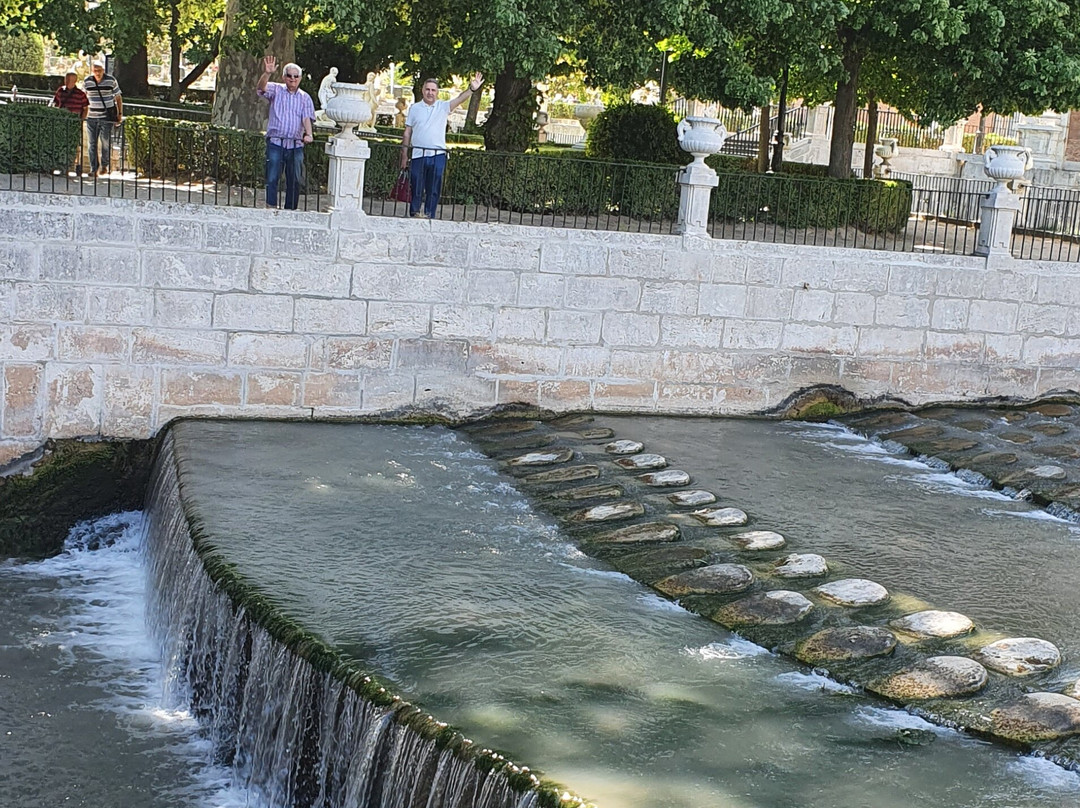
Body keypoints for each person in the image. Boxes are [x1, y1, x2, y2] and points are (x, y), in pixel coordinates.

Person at [399, 72, 483, 219]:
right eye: (427, 89)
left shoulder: (443, 107)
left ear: (437, 93)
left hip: (437, 154)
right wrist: (404, 156)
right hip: (418, 154)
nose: (430, 93)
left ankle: (429, 214)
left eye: (433, 90)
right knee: (416, 185)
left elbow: (459, 99)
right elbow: (407, 133)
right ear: (422, 90)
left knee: (434, 187)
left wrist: (472, 89)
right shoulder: (414, 108)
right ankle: (414, 214)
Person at [256, 55, 315, 210]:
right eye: (289, 76)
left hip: (295, 144)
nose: (293, 79)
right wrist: (267, 73)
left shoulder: (305, 97)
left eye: (296, 76)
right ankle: (271, 207)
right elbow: (261, 88)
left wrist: (309, 134)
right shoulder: (276, 89)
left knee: (295, 179)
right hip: (276, 141)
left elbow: (306, 117)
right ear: (284, 77)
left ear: (300, 78)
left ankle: (290, 210)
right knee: (273, 177)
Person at [83, 62, 122, 176]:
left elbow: (118, 97)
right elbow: (83, 98)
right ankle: (93, 169)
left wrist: (119, 114)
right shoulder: (87, 81)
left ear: (103, 70)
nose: (97, 73)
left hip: (106, 117)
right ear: (92, 71)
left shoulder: (111, 80)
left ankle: (104, 165)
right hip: (91, 117)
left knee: (105, 142)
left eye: (99, 70)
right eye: (95, 70)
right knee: (92, 144)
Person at [51, 71, 89, 175]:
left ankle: (75, 165)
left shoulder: (81, 94)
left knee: (75, 144)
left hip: (74, 122)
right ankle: (60, 165)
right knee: (60, 143)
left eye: (69, 79)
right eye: (66, 79)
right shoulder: (60, 91)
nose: (67, 81)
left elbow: (85, 108)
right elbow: (56, 104)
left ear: (75, 81)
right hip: (61, 122)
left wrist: (81, 120)